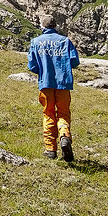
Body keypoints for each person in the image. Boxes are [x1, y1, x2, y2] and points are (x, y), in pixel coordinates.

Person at [27, 13, 80, 161]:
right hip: (63, 83)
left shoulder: (36, 42)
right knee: (63, 113)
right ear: (55, 26)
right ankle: (64, 136)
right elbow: (75, 62)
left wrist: (43, 70)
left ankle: (50, 149)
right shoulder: (65, 41)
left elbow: (31, 65)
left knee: (48, 113)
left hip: (46, 84)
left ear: (42, 26)